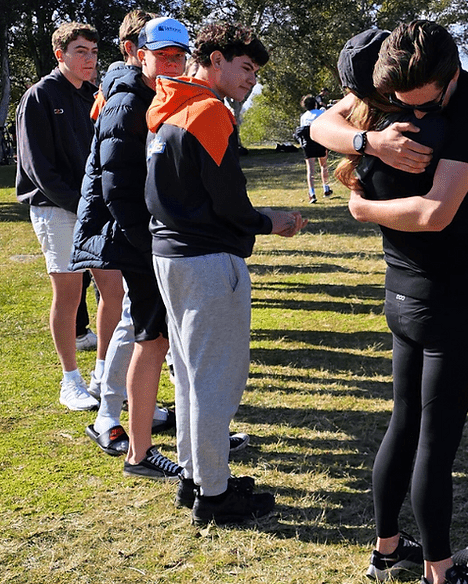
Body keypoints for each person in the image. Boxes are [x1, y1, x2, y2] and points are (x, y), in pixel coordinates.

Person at [314, 23, 468, 584]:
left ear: (449, 80)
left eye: (422, 104)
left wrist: (361, 206)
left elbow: (443, 207)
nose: (409, 114)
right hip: (462, 271)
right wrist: (370, 141)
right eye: (396, 104)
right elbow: (323, 122)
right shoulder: (390, 94)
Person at [145, 21, 305, 525]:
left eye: (255, 71)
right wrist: (270, 222)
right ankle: (214, 496)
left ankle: (197, 479)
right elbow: (230, 202)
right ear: (214, 60)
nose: (250, 79)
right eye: (245, 67)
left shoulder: (167, 106)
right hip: (207, 259)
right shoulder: (209, 111)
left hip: (169, 254)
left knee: (192, 376)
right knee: (214, 380)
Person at [71, 12, 186, 480]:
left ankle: (136, 431)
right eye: (163, 56)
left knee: (147, 332)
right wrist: (150, 245)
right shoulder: (128, 100)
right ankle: (124, 435)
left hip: (146, 238)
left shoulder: (157, 93)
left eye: (180, 55)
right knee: (146, 334)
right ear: (140, 55)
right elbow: (119, 191)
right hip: (132, 239)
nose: (174, 63)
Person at [15, 21, 125, 411]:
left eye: (94, 52)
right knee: (69, 293)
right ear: (60, 54)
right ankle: (70, 381)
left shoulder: (91, 97)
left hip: (93, 210)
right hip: (55, 211)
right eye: (81, 51)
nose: (90, 59)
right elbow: (39, 170)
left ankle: (102, 376)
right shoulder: (39, 96)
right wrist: (83, 207)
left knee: (115, 291)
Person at [296, 94, 332, 203]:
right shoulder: (321, 113)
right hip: (320, 142)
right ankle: (326, 188)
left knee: (310, 170)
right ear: (315, 103)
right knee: (323, 166)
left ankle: (312, 193)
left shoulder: (303, 117)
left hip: (308, 144)